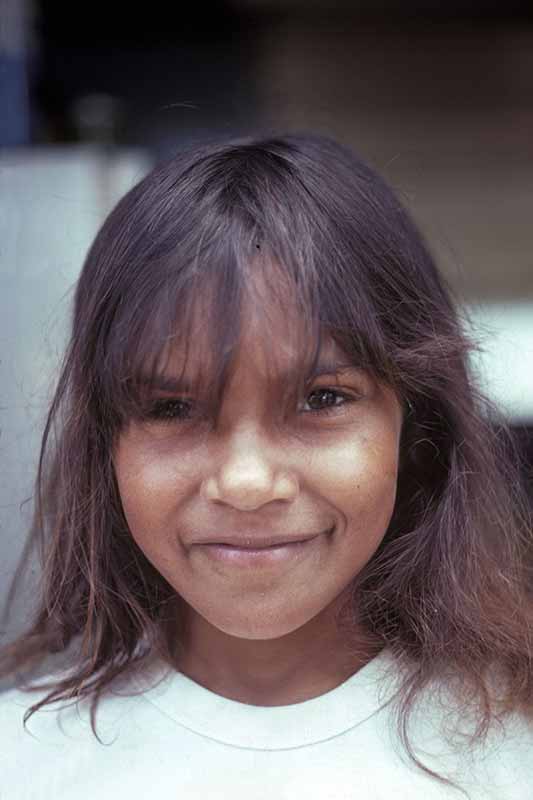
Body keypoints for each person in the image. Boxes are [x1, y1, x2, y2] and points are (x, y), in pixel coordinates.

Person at [1, 131, 532, 799]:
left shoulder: (510, 754)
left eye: (321, 399)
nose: (247, 483)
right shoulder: (23, 764)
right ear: (106, 442)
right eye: (171, 407)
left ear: (414, 424)